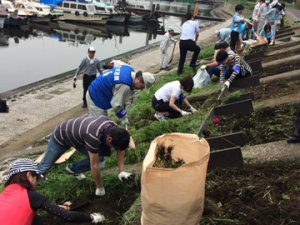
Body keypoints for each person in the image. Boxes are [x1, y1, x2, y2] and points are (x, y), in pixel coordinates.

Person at [37, 116, 132, 197]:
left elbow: (120, 150)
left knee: (99, 159)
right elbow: (93, 166)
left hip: (80, 137)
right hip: (61, 136)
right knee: (43, 168)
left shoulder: (113, 128)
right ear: (109, 138)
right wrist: (100, 187)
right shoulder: (93, 136)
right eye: (113, 146)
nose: (113, 148)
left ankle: (73, 169)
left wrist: (121, 171)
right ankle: (24, 183)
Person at [0, 158, 105, 225]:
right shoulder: (30, 196)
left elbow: (18, 210)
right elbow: (68, 216)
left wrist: (55, 207)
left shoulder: (2, 196)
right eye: (36, 178)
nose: (35, 183)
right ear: (28, 175)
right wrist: (93, 217)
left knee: (35, 219)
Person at [86, 65, 155, 126]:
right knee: (101, 126)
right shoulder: (125, 86)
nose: (141, 89)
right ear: (138, 78)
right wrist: (124, 117)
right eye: (142, 86)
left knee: (98, 120)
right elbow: (116, 105)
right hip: (95, 97)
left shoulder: (129, 69)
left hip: (99, 89)